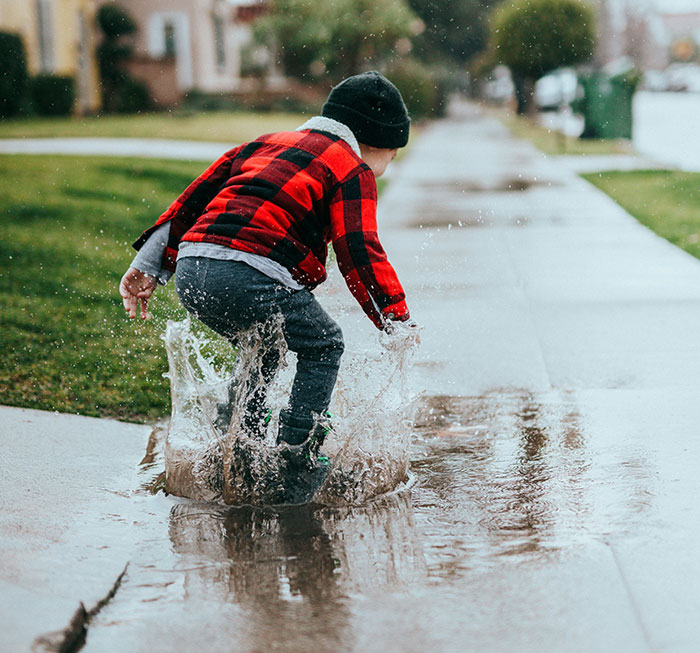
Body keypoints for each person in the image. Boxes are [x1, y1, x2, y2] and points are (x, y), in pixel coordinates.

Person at [119, 71, 413, 461]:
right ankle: (297, 453)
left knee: (265, 349)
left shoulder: (262, 143)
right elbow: (358, 250)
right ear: (375, 140)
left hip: (192, 270)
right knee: (324, 344)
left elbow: (192, 201)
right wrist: (395, 318)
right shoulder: (351, 169)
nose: (392, 158)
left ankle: (238, 446)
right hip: (249, 274)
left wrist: (148, 264)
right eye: (394, 150)